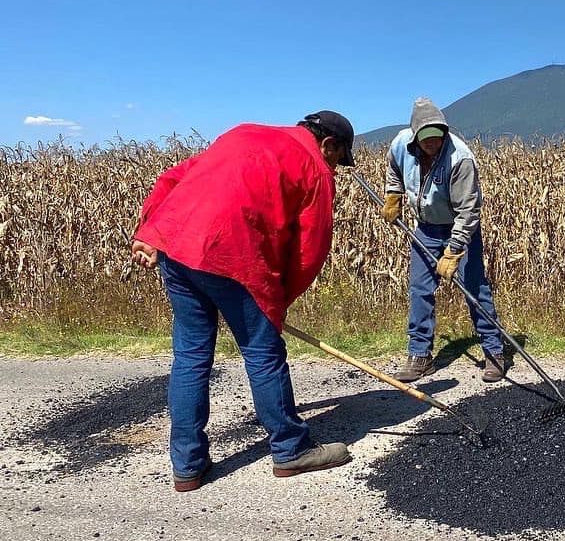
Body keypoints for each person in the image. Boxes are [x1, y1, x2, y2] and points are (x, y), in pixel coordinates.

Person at [130, 111, 356, 491]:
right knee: (262, 351)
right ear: (328, 144)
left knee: (190, 356)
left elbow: (171, 178)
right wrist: (277, 304)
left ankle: (187, 465)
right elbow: (308, 252)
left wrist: (148, 229)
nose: (334, 167)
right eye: (337, 159)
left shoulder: (241, 133)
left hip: (176, 249)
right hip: (232, 257)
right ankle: (291, 449)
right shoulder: (315, 167)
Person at [381, 98, 505, 383]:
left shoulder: (460, 158)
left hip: (459, 229)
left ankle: (494, 352)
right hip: (425, 227)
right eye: (426, 141)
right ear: (415, 137)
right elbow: (394, 170)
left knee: (475, 289)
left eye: (437, 139)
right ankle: (419, 356)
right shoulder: (401, 144)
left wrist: (454, 250)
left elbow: (469, 210)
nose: (433, 145)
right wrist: (393, 194)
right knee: (420, 290)